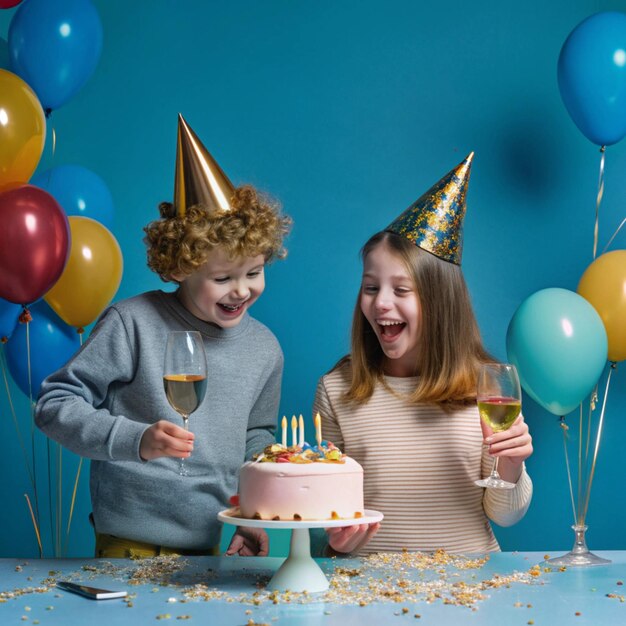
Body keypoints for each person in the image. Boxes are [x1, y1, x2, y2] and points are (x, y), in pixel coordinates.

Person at [35, 114, 291, 558]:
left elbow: (255, 437)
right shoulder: (133, 323)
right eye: (223, 277)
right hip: (129, 542)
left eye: (254, 272)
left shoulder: (264, 348)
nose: (242, 290)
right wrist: (134, 439)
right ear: (180, 268)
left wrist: (252, 512)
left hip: (211, 542)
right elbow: (54, 405)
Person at [313, 153, 533, 556]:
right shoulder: (337, 389)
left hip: (471, 596)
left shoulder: (488, 387)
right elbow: (323, 509)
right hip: (365, 599)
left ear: (439, 301)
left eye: (401, 290)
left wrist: (511, 463)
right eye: (370, 287)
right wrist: (334, 533)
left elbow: (505, 515)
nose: (381, 304)